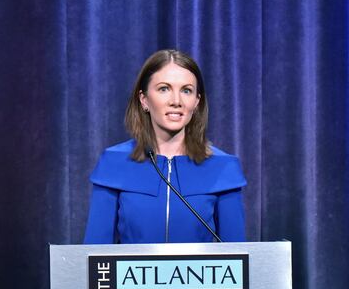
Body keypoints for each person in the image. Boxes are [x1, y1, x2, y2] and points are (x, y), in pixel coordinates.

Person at [84, 49, 246, 243]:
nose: (176, 101)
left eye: (186, 90)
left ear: (196, 102)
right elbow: (94, 256)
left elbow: (237, 259)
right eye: (164, 89)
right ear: (144, 100)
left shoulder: (222, 168)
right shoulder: (114, 163)